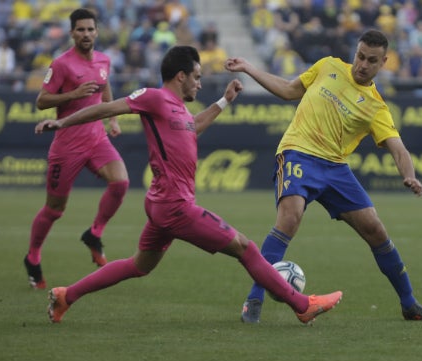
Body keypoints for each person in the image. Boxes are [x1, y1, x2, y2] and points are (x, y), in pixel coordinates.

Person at [35, 45, 342, 325]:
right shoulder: (154, 98)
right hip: (175, 206)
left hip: (162, 204)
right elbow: (107, 108)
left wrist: (224, 101)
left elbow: (191, 129)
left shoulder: (179, 109)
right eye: (196, 77)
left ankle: (65, 296)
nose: (198, 82)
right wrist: (62, 122)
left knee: (139, 265)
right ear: (180, 76)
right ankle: (302, 305)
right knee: (245, 248)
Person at [225, 29, 422, 323]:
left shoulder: (376, 107)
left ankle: (409, 304)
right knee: (290, 218)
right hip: (298, 152)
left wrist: (410, 175)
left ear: (383, 63)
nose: (362, 64)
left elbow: (398, 148)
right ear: (355, 52)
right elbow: (289, 90)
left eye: (371, 60)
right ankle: (254, 300)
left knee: (376, 230)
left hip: (335, 169)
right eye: (360, 56)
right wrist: (250, 68)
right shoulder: (328, 66)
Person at [24, 8, 130, 290]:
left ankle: (94, 233)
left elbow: (105, 89)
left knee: (120, 182)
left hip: (97, 140)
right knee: (55, 209)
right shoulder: (61, 64)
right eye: (80, 30)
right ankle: (33, 256)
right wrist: (73, 94)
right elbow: (42, 101)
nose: (85, 34)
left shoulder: (104, 60)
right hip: (67, 144)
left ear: (97, 32)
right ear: (72, 33)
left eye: (90, 29)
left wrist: (113, 119)